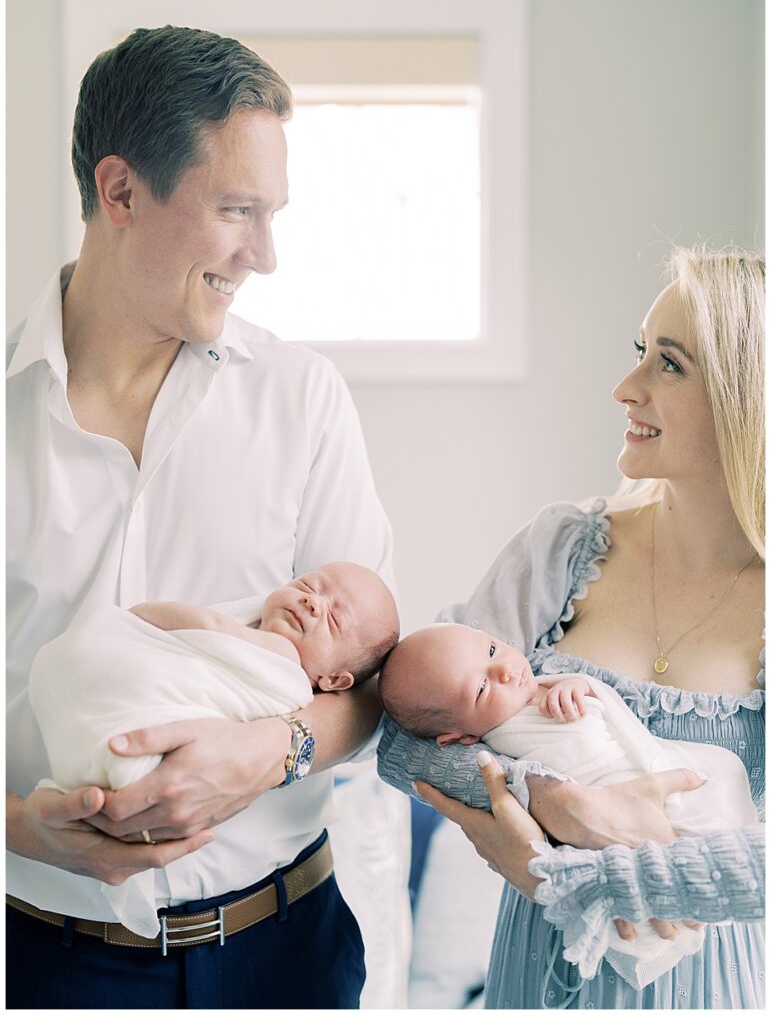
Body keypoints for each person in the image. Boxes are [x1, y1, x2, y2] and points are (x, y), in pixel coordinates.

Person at [7, 25, 396, 1009]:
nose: (263, 254)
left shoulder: (302, 398)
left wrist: (273, 750)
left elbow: (374, 682)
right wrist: (10, 824)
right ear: (122, 191)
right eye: (235, 211)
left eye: (272, 215)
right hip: (48, 965)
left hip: (288, 953)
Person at [378, 245, 765, 1008]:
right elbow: (401, 740)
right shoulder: (560, 549)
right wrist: (546, 797)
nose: (626, 388)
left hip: (708, 989)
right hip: (538, 978)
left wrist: (569, 867)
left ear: (746, 397)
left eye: (669, 364)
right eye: (639, 354)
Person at [30, 562, 399, 937]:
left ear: (334, 680)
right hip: (54, 921)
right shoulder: (260, 629)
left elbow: (208, 627)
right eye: (307, 584)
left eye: (334, 620)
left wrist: (130, 621)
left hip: (272, 917)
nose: (313, 601)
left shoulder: (281, 660)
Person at [379, 622, 757, 988]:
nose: (506, 671)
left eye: (493, 649)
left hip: (730, 918)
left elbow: (603, 713)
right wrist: (558, 800)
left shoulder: (536, 690)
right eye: (481, 687)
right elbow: (398, 750)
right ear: (459, 736)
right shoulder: (500, 737)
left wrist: (576, 686)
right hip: (561, 902)